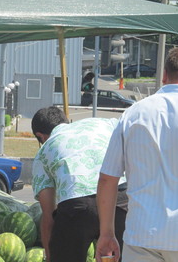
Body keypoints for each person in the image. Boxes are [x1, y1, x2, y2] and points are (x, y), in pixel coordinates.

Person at [96, 47, 178, 262]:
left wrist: (107, 234)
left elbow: (107, 179)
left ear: (165, 75)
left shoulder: (132, 114)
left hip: (142, 236)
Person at [31, 106, 127, 262]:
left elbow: (48, 216)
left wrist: (51, 256)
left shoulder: (43, 153)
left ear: (40, 136)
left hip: (75, 206)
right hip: (119, 199)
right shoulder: (103, 123)